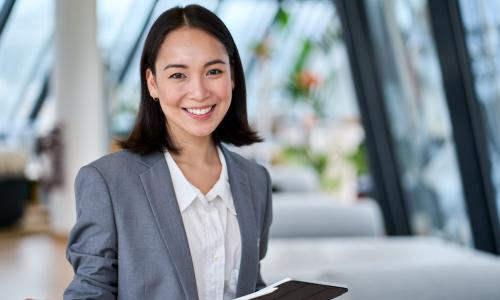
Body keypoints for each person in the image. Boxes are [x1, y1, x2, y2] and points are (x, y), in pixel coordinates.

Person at [64, 4, 273, 300]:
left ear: (233, 77)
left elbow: (248, 286)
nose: (199, 92)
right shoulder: (107, 182)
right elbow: (91, 292)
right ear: (152, 83)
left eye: (213, 71)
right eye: (178, 75)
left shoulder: (256, 180)